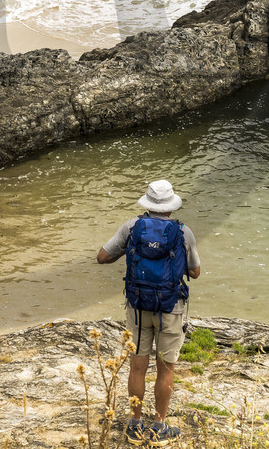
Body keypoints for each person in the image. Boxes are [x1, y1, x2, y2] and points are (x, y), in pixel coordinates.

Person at [96, 180, 201, 442]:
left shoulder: (132, 227)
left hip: (138, 306)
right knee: (165, 368)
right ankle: (159, 426)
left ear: (147, 203)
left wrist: (130, 252)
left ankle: (134, 424)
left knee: (137, 367)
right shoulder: (183, 232)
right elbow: (195, 272)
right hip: (170, 307)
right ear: (171, 206)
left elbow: (102, 257)